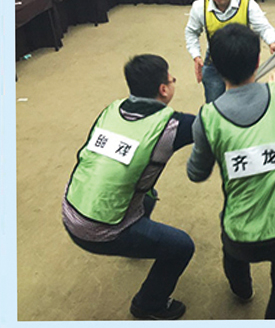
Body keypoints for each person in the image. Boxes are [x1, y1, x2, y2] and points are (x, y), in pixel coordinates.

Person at [187, 24, 275, 318]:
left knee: (233, 256)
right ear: (258, 61)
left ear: (215, 66)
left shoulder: (207, 117)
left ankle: (242, 290)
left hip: (240, 235)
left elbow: (196, 173)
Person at [62, 54, 195, 321]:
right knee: (182, 246)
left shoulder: (111, 109)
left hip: (71, 209)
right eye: (172, 79)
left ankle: (139, 242)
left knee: (149, 195)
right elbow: (216, 124)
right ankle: (149, 305)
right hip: (101, 231)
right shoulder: (173, 126)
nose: (173, 81)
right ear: (164, 89)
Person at [185, 0, 275, 102]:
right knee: (214, 103)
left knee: (245, 102)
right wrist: (196, 56)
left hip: (242, 60)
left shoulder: (247, 3)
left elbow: (263, 27)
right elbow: (191, 32)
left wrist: (273, 42)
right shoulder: (200, 6)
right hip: (215, 60)